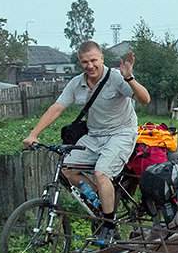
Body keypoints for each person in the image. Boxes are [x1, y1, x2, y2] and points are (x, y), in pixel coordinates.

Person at [23, 40, 150, 240]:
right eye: (84, 62)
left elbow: (145, 99)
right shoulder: (76, 83)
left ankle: (109, 224)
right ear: (80, 63)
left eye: (93, 60)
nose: (89, 66)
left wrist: (130, 78)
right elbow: (56, 108)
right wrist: (34, 134)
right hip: (94, 136)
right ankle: (101, 198)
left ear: (102, 59)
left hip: (121, 133)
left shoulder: (117, 78)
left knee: (101, 173)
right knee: (65, 168)